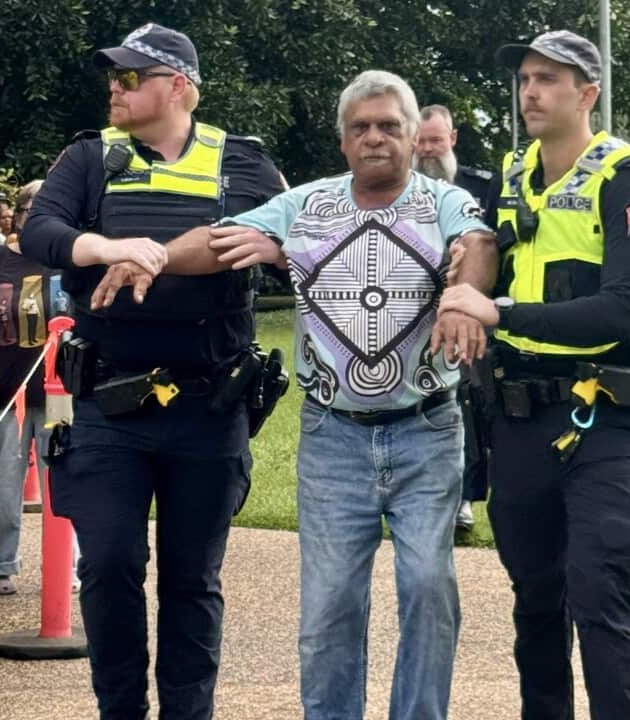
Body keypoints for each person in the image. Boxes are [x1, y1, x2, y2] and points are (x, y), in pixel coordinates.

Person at [99, 69, 498, 720]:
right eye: (360, 127)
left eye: (389, 126)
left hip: (425, 430)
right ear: (342, 140)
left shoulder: (444, 202)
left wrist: (463, 296)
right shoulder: (306, 205)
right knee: (331, 604)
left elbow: (478, 243)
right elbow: (217, 239)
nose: (375, 138)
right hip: (333, 435)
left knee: (429, 586)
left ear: (411, 135)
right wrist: (156, 258)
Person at [19, 22, 284, 718]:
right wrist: (106, 247)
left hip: (209, 406)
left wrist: (160, 255)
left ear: (179, 86)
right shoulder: (89, 157)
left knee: (193, 581)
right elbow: (39, 231)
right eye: (114, 75)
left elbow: (275, 237)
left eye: (131, 76)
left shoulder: (243, 163)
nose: (115, 86)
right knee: (108, 565)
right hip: (109, 405)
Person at [438, 31, 630, 720]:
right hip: (519, 418)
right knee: (536, 599)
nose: (530, 92)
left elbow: (623, 307)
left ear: (587, 93)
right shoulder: (513, 175)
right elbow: (484, 253)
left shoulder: (626, 177)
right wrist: (467, 273)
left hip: (606, 415)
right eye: (524, 79)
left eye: (547, 78)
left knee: (602, 592)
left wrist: (499, 310)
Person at [0, 180, 64, 596]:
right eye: (30, 211)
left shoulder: (68, 258)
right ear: (17, 217)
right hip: (6, 393)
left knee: (65, 480)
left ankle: (68, 566)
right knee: (4, 481)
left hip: (60, 395)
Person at [414, 103, 496, 532]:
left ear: (453, 138)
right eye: (421, 141)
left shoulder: (483, 188)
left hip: (468, 314)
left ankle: (464, 497)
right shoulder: (398, 189)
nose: (428, 149)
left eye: (435, 140)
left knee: (468, 405)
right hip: (414, 317)